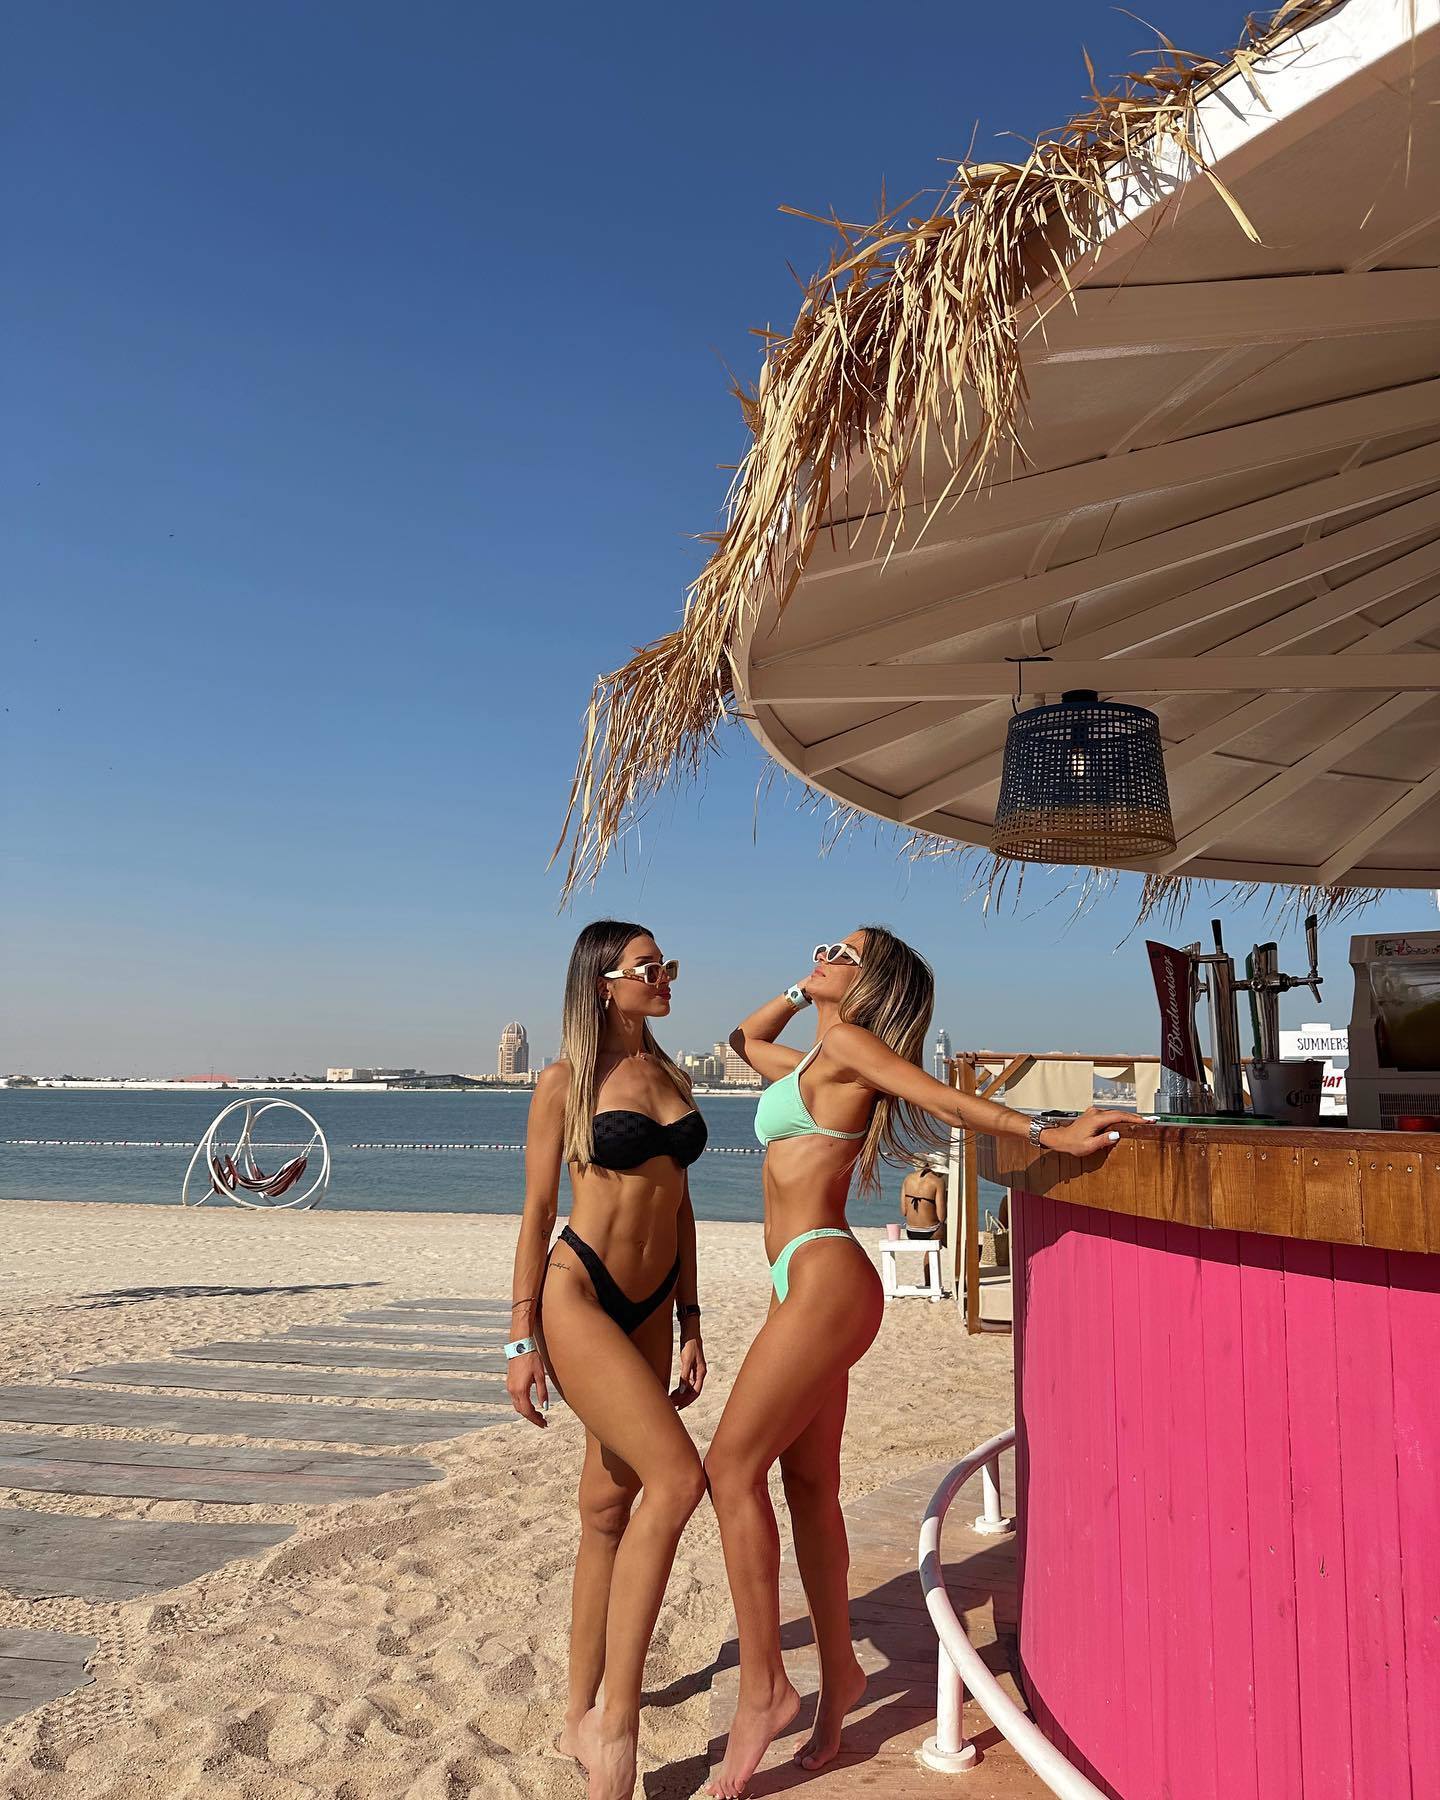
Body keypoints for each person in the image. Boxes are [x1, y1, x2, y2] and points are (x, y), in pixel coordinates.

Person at [703, 926, 1128, 1796]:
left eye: (845, 954)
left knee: (729, 1470)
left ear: (874, 988)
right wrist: (807, 984)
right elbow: (741, 1038)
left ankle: (766, 1688)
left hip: (822, 1274)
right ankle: (841, 1677)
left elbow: (947, 1101)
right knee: (807, 1486)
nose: (826, 952)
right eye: (827, 944)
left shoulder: (851, 1048)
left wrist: (1046, 1130)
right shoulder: (815, 1059)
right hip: (800, 1281)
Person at [506, 920, 709, 1800]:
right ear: (602, 982)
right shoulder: (564, 1082)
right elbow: (536, 1210)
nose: (665, 978)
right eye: (648, 967)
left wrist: (692, 1317)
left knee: (606, 1506)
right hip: (579, 1293)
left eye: (667, 966)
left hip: (656, 1304)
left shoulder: (673, 1076)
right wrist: (521, 1339)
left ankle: (574, 1713)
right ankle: (616, 1728)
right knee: (679, 1479)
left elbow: (682, 1207)